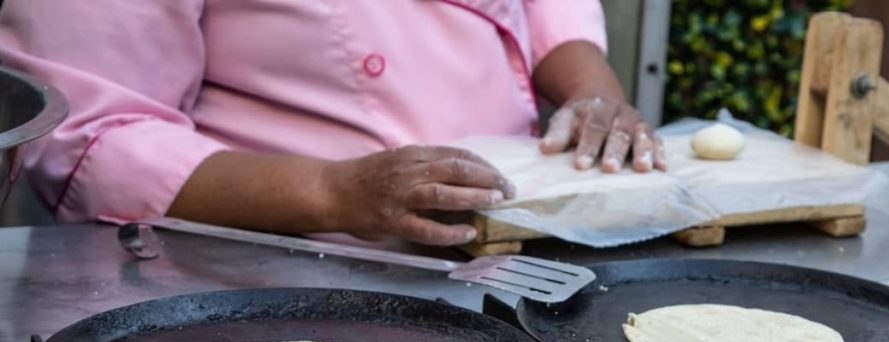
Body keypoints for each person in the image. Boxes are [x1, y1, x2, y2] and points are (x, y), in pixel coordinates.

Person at [0, 1, 665, 245]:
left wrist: (591, 91)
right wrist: (333, 192)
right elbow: (97, 132)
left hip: (515, 248)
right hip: (292, 273)